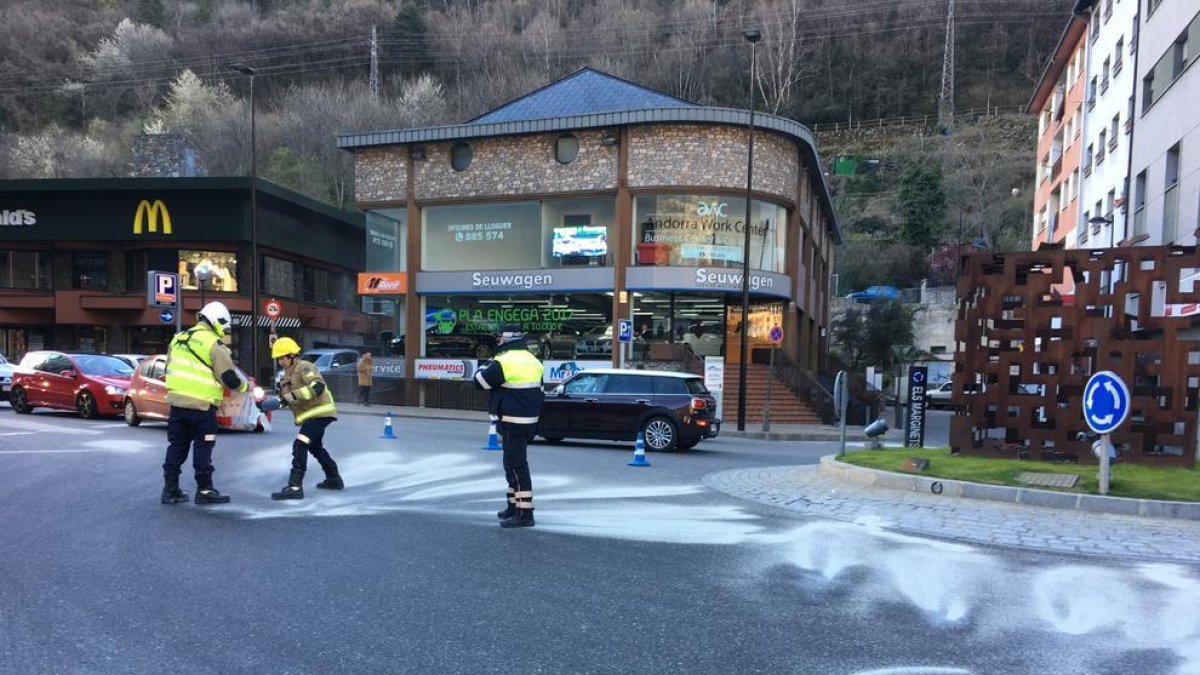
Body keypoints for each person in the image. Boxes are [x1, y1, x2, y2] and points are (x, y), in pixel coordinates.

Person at [160, 301, 248, 505]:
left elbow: (168, 369)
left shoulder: (178, 339)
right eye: (224, 326)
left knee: (176, 446)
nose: (224, 331)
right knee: (204, 446)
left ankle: (170, 490)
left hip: (177, 405)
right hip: (202, 408)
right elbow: (230, 379)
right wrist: (246, 387)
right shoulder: (214, 344)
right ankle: (205, 490)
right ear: (217, 321)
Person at [474, 327, 544, 528]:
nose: (497, 340)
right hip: (528, 420)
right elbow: (539, 390)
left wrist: (483, 366)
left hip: (512, 420)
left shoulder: (504, 361)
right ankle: (513, 506)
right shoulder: (533, 360)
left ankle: (525, 514)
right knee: (513, 464)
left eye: (499, 337)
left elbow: (480, 382)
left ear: (507, 338)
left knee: (516, 466)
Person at [270, 336, 343, 500]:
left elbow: (317, 386)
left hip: (320, 413)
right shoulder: (285, 377)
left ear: (292, 355)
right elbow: (287, 399)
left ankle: (295, 487)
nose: (280, 361)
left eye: (283, 357)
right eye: (278, 359)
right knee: (315, 447)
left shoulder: (304, 367)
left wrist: (291, 397)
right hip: (311, 415)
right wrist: (272, 404)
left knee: (300, 444)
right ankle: (334, 479)